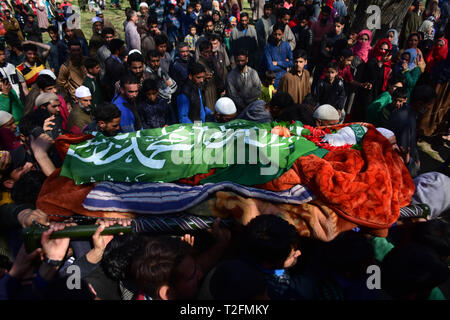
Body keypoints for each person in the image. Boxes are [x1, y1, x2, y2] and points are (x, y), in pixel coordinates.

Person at [264, 22, 293, 89]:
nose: (277, 37)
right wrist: (285, 65)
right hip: (273, 80)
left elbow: (291, 63)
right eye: (275, 34)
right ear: (272, 34)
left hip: (285, 78)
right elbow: (270, 67)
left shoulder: (286, 46)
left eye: (279, 34)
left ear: (283, 34)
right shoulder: (268, 47)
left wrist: (278, 63)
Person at [197, 41, 220, 112]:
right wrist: (204, 78)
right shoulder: (198, 65)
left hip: (214, 94)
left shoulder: (212, 62)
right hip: (206, 96)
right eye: (206, 52)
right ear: (201, 53)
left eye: (210, 52)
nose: (209, 54)